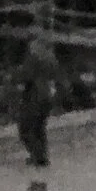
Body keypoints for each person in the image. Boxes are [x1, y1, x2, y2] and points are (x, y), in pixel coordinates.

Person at [17, 35, 60, 168]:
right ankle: (41, 155)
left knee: (27, 127)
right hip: (47, 96)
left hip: (35, 95)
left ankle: (37, 156)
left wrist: (17, 78)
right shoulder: (50, 57)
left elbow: (26, 76)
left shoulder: (34, 57)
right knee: (40, 127)